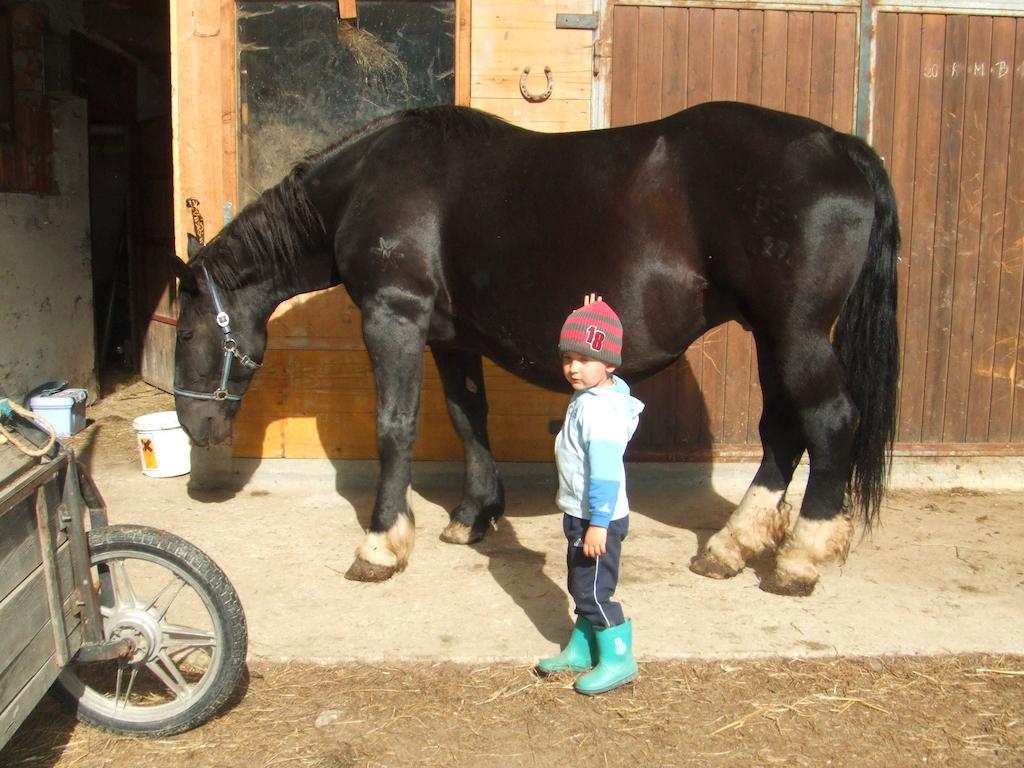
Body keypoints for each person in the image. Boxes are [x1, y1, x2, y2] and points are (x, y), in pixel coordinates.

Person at [536, 293, 644, 695]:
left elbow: (605, 473)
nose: (573, 368)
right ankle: (582, 648)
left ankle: (618, 659)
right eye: (567, 358)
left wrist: (598, 523)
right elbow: (606, 368)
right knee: (581, 585)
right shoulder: (604, 390)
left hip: (596, 516)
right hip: (582, 513)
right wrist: (589, 314)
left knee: (595, 592)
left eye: (584, 360)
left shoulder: (601, 412)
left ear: (610, 364)